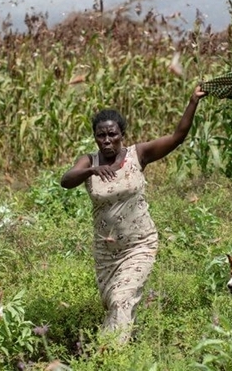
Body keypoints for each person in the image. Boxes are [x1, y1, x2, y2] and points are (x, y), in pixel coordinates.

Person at [60, 86, 207, 342]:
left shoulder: (138, 154)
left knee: (121, 299)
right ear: (95, 138)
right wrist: (90, 172)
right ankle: (125, 343)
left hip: (140, 244)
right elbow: (66, 180)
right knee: (113, 304)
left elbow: (177, 137)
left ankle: (109, 356)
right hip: (106, 252)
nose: (106, 140)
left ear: (122, 135)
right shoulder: (89, 161)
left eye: (112, 135)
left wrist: (193, 101)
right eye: (100, 136)